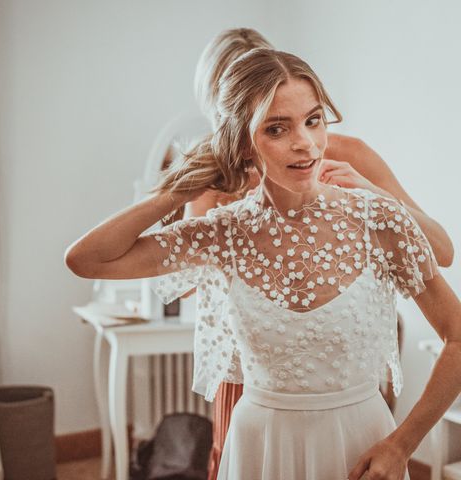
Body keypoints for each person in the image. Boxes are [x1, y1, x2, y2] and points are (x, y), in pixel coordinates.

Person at [66, 48, 461, 479]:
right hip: (260, 448)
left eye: (313, 120)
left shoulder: (376, 218)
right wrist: (181, 187)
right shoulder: (224, 233)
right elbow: (86, 259)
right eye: (277, 128)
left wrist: (401, 445)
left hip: (360, 442)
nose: (305, 144)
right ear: (241, 144)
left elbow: (458, 336)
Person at [188, 28, 454, 479]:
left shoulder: (343, 155)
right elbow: (199, 284)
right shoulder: (217, 180)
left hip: (343, 359)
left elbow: (441, 250)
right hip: (255, 374)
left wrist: (371, 195)